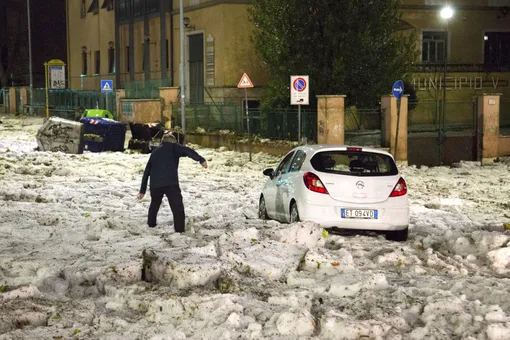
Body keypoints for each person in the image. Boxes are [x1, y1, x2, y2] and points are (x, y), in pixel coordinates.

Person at [137, 133, 207, 231]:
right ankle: (179, 229)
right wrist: (201, 159)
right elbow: (187, 151)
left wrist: (142, 191)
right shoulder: (174, 147)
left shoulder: (155, 152)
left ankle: (151, 225)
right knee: (177, 206)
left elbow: (146, 172)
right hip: (171, 183)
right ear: (174, 142)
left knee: (155, 204)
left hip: (155, 184)